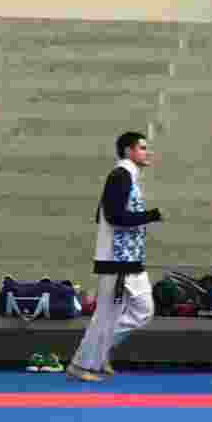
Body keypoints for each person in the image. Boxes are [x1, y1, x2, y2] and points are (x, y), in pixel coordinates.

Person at [66, 132, 163, 382]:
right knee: (106, 315)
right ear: (129, 151)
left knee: (142, 310)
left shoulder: (127, 177)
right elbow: (113, 216)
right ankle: (81, 364)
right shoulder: (120, 176)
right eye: (142, 148)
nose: (146, 152)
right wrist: (150, 216)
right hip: (117, 261)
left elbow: (103, 215)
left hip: (128, 259)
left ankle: (98, 354)